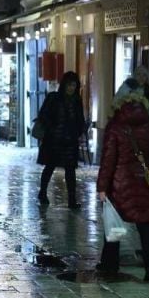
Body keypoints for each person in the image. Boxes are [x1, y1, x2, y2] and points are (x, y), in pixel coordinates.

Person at [96, 94, 149, 282]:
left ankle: (110, 264)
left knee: (114, 224)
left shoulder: (115, 127)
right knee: (147, 226)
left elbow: (108, 160)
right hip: (144, 182)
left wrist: (102, 187)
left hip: (121, 183)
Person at [36, 71, 87, 209]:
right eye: (69, 85)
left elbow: (80, 119)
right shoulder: (54, 98)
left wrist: (80, 131)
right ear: (64, 85)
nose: (71, 88)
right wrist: (52, 129)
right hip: (54, 140)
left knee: (70, 170)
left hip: (70, 141)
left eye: (74, 85)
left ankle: (71, 200)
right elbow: (44, 115)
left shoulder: (77, 101)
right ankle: (42, 193)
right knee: (50, 167)